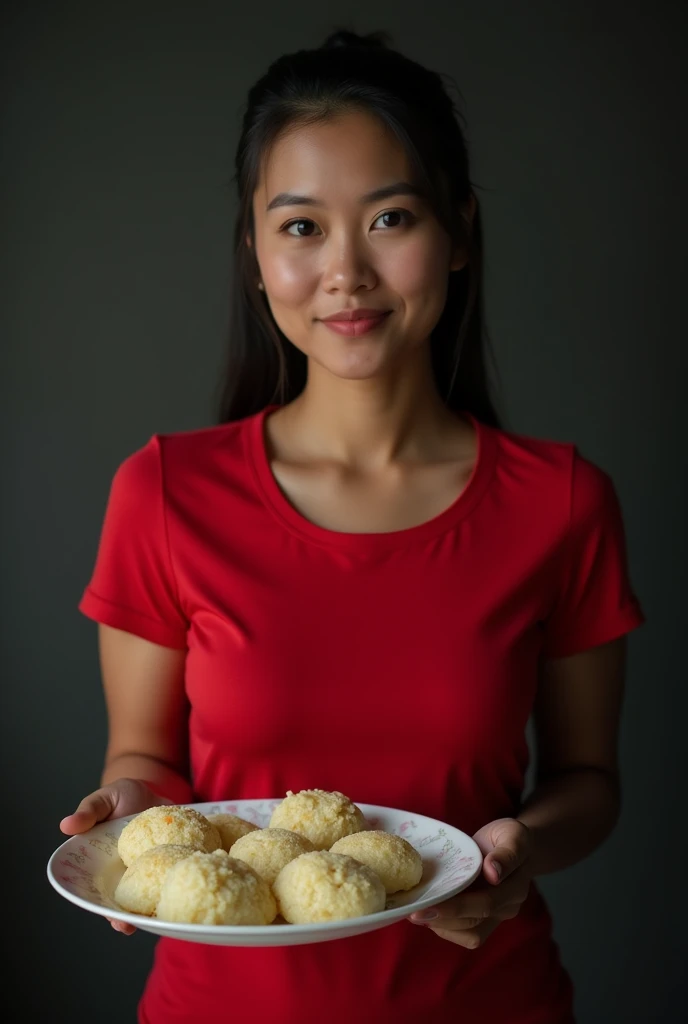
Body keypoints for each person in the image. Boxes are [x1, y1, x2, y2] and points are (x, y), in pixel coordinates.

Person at [59, 27, 645, 1024]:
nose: (345, 271)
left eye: (389, 218)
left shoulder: (561, 501)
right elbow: (144, 759)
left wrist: (520, 850)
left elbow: (587, 781)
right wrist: (127, 812)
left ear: (457, 232)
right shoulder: (163, 491)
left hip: (486, 1000)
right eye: (300, 227)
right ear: (253, 252)